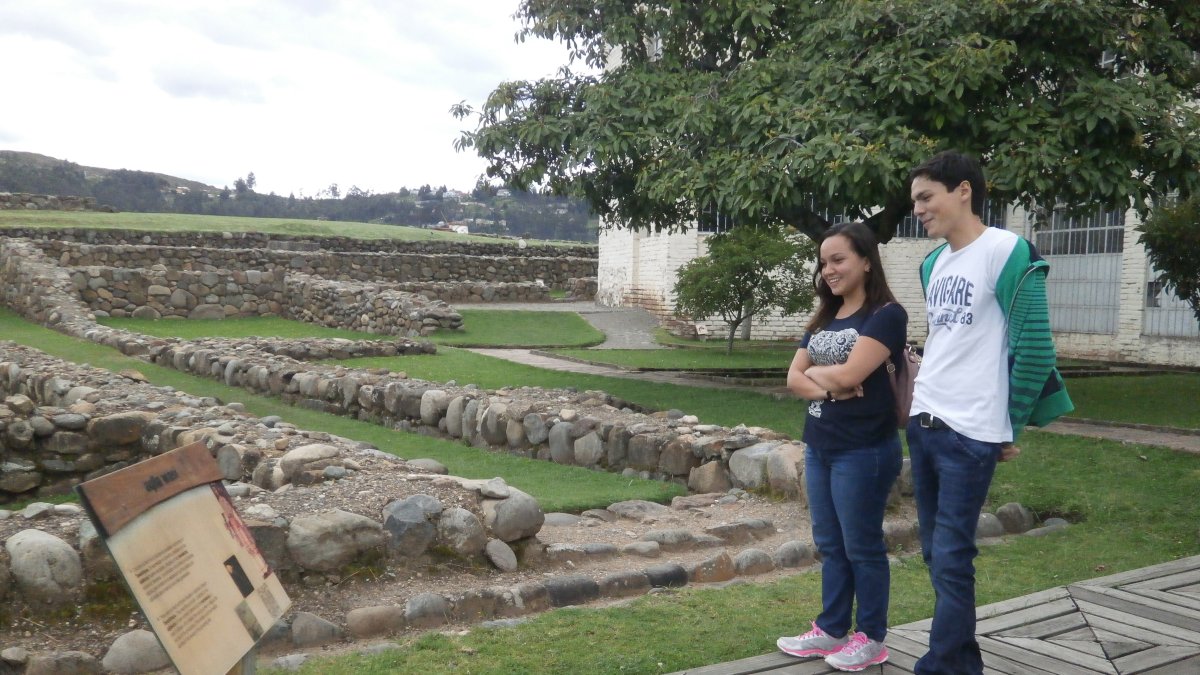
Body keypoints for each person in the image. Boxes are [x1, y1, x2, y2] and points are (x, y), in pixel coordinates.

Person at [907, 150, 1074, 674]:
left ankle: (943, 666)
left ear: (963, 191)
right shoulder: (933, 263)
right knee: (937, 553)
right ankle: (963, 663)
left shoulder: (1008, 252)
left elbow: (1037, 351)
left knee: (953, 556)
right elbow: (948, 341)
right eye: (914, 201)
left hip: (968, 432)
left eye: (926, 197)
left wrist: (1008, 423)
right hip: (925, 421)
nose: (918, 209)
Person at [777, 220, 907, 672]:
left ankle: (871, 637)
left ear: (866, 261)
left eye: (839, 260)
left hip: (864, 449)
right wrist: (829, 387)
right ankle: (832, 629)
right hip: (821, 444)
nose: (828, 270)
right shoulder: (826, 317)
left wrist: (820, 377)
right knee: (830, 543)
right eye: (823, 262)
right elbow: (793, 378)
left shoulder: (886, 315)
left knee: (862, 546)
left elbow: (853, 374)